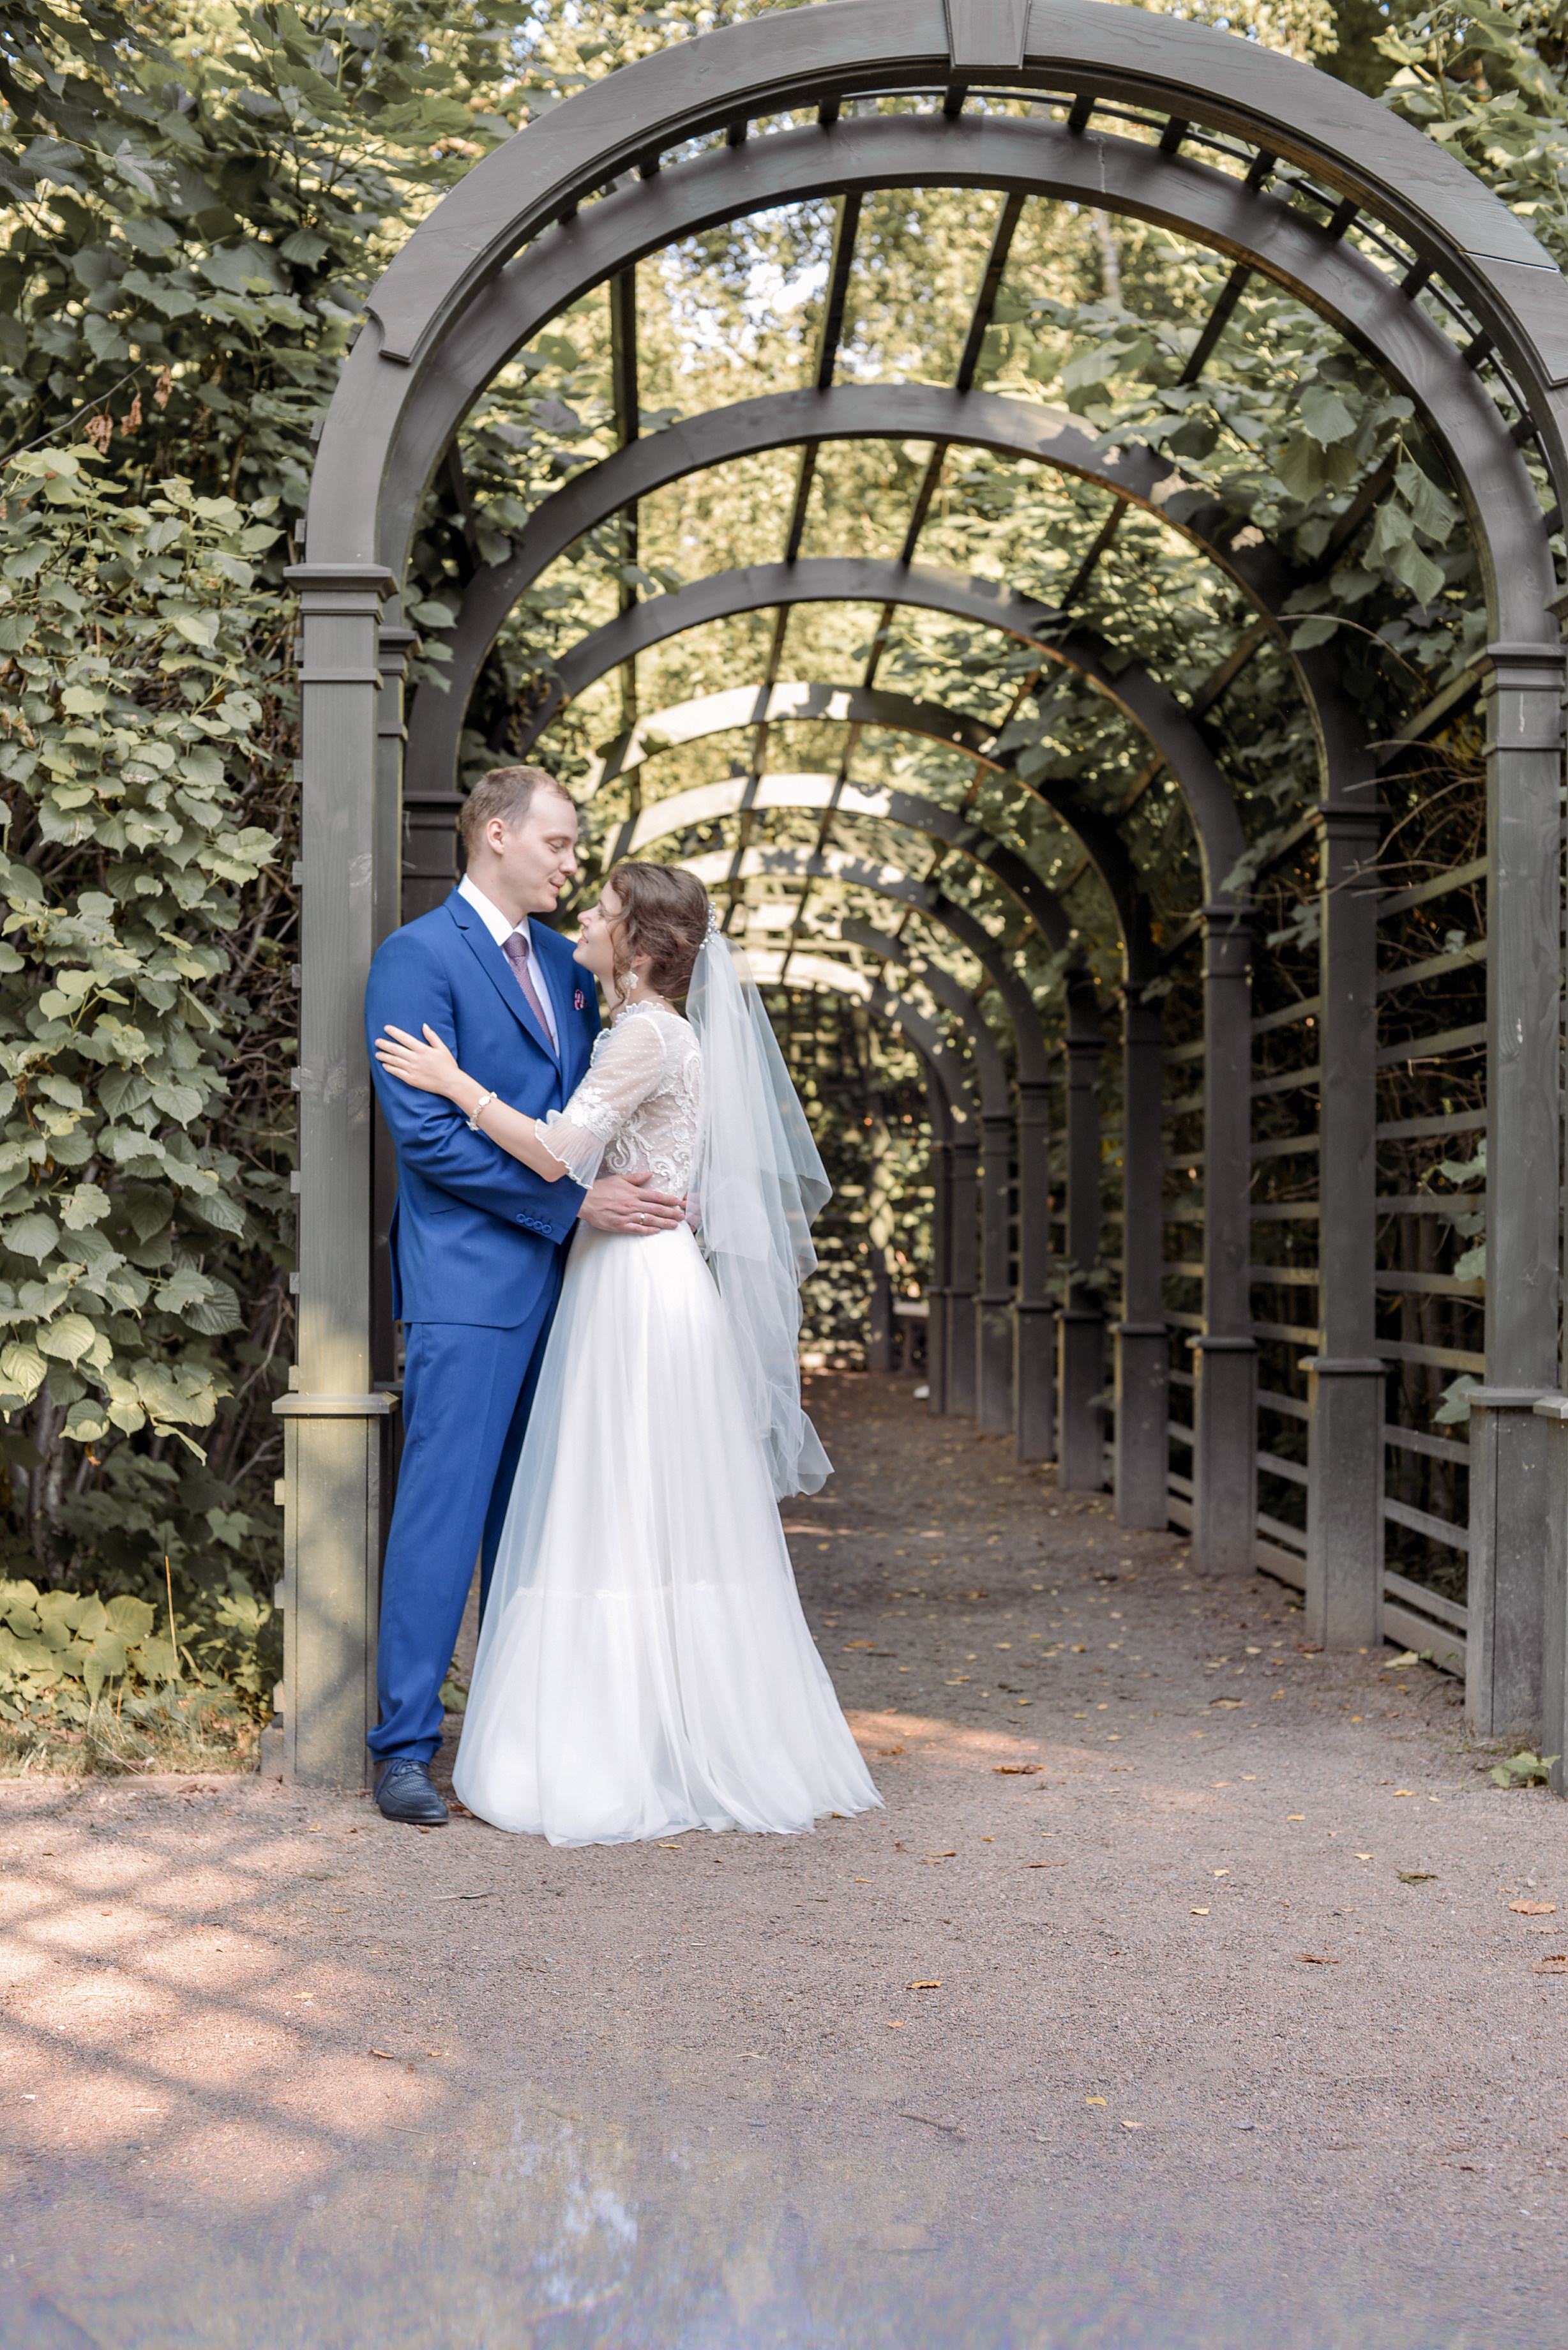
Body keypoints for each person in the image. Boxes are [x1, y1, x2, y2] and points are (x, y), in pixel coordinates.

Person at [373, 861, 881, 1846]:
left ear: (641, 950)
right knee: (637, 1507)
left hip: (634, 1289)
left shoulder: (645, 1033)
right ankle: (648, 1730)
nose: (584, 920)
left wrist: (454, 1083)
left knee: (610, 1502)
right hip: (632, 1280)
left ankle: (619, 1744)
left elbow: (559, 1149)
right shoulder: (649, 1029)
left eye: (603, 911)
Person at [363, 770, 686, 1828]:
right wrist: (574, 1206)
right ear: (494, 835)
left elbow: (598, 1111)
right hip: (472, 1285)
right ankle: (405, 1748)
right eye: (555, 842)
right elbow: (427, 1138)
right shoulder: (416, 957)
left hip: (587, 1294)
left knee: (546, 1524)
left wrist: (601, 1208)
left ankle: (515, 1737)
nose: (568, 862)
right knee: (442, 1516)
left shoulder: (572, 961)